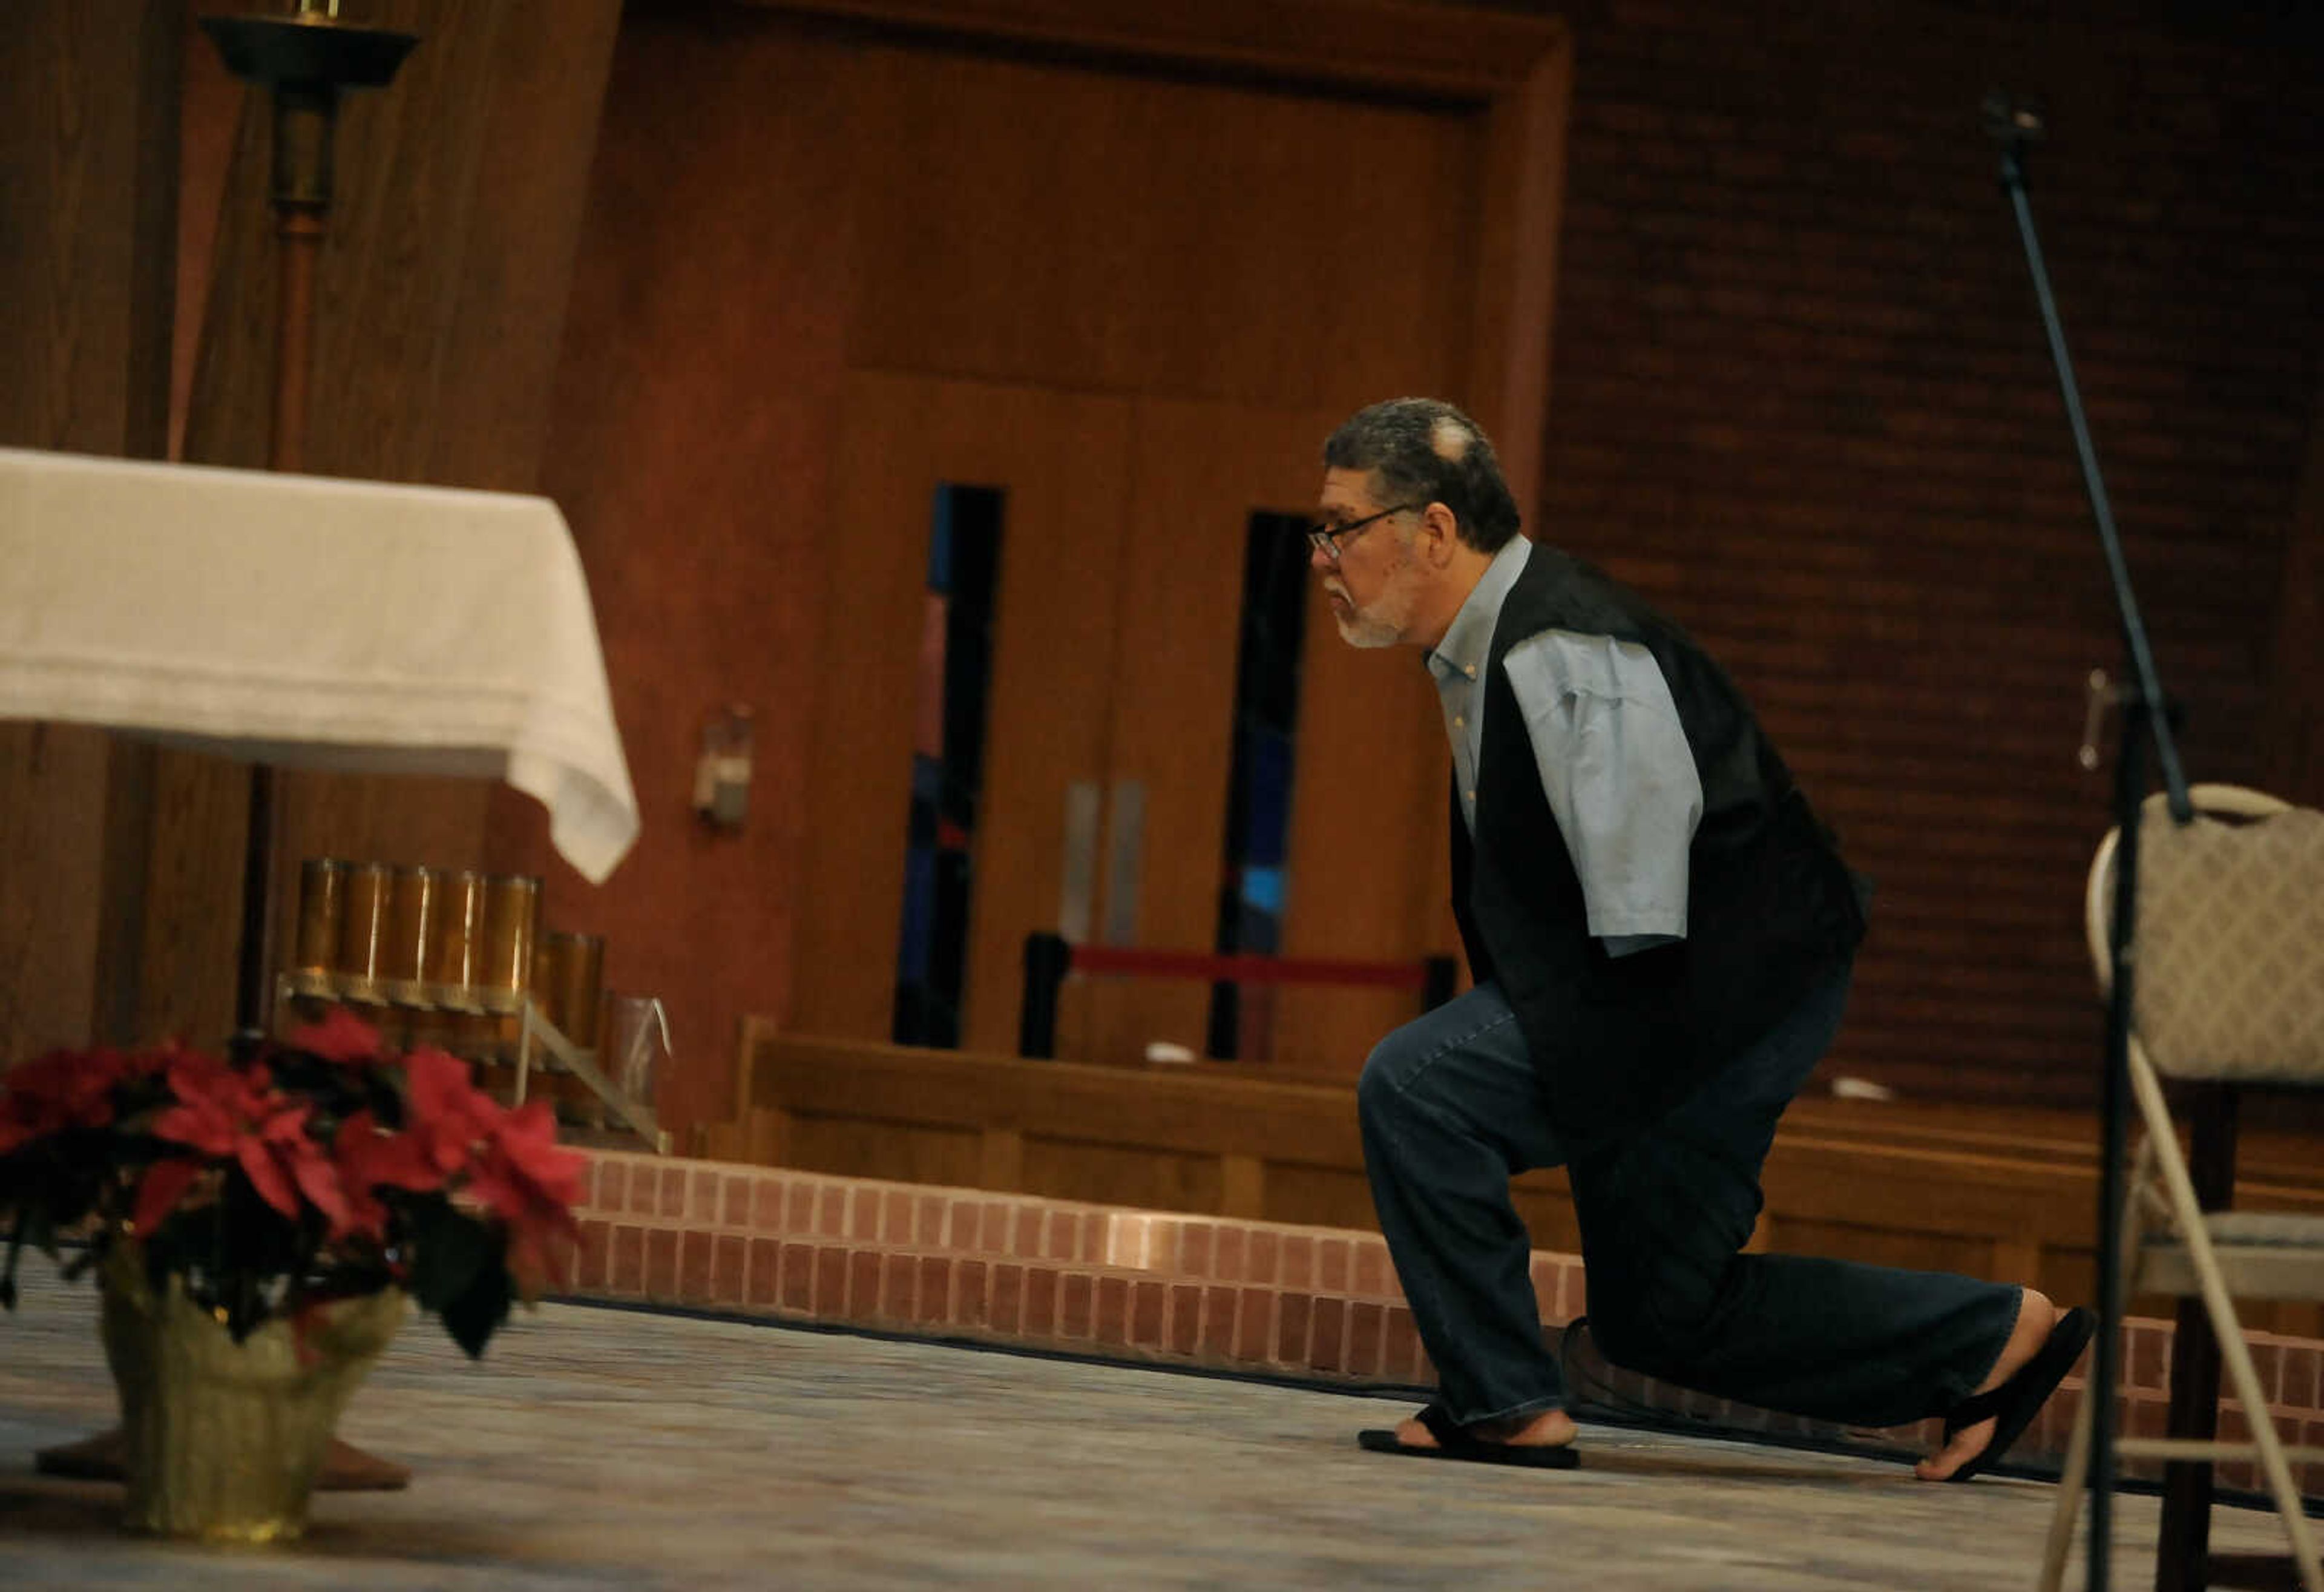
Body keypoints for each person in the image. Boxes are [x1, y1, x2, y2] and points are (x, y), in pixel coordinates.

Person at [1318, 397, 2090, 1479]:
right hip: (1686, 981)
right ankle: (1992, 1340)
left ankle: (1502, 1404)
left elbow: (1643, 909)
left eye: (1343, 525)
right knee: (1659, 1316)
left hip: (1719, 983)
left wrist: (1546, 1069)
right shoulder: (1482, 651)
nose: (1326, 557)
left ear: (1434, 531)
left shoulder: (1561, 648)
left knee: (1416, 1087)